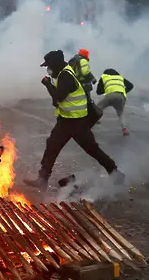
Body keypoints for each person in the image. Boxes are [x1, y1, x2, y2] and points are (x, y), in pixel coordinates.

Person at [24, 50, 124, 189]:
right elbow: (61, 97)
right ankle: (42, 179)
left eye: (49, 66)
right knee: (51, 146)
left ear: (56, 64)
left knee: (92, 149)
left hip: (77, 123)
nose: (48, 69)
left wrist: (47, 84)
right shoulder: (63, 73)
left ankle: (114, 173)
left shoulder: (65, 75)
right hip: (65, 121)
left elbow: (60, 96)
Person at [96, 69, 134, 136]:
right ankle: (124, 129)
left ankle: (89, 125)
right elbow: (131, 86)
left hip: (110, 96)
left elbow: (98, 92)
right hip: (121, 97)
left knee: (97, 108)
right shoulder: (120, 77)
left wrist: (107, 88)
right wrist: (123, 91)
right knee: (120, 113)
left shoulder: (104, 77)